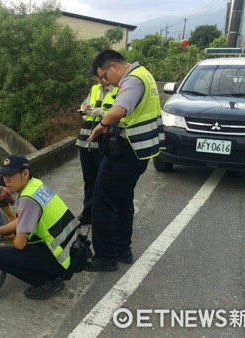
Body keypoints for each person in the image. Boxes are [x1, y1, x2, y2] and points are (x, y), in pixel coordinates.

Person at [85, 49, 164, 272]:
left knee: (103, 201)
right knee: (122, 200)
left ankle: (105, 257)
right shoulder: (144, 74)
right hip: (139, 151)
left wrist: (103, 123)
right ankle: (122, 249)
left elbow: (118, 111)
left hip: (127, 150)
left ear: (114, 66)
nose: (104, 81)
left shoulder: (133, 80)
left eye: (104, 76)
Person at [0, 155, 81, 300]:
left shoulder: (27, 199)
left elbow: (19, 244)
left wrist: (10, 241)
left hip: (61, 260)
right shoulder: (36, 186)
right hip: (73, 250)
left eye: (10, 175)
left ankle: (47, 282)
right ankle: (51, 273)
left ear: (25, 174)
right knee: (22, 235)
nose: (6, 180)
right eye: (4, 175)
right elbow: (22, 220)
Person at [75, 75, 118, 225]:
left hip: (104, 140)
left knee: (104, 181)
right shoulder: (94, 89)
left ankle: (103, 215)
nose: (101, 80)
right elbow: (85, 106)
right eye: (98, 78)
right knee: (89, 179)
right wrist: (84, 108)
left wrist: (101, 113)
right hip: (86, 140)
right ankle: (88, 213)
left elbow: (119, 115)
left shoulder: (119, 90)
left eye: (103, 77)